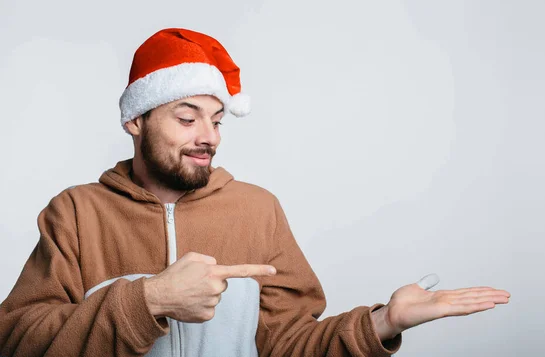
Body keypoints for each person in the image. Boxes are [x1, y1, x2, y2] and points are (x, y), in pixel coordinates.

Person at [0, 28, 510, 357]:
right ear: (135, 120)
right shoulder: (75, 212)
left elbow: (287, 344)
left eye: (217, 120)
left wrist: (382, 323)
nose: (209, 136)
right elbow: (17, 339)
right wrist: (149, 299)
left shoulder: (257, 210)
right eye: (187, 117)